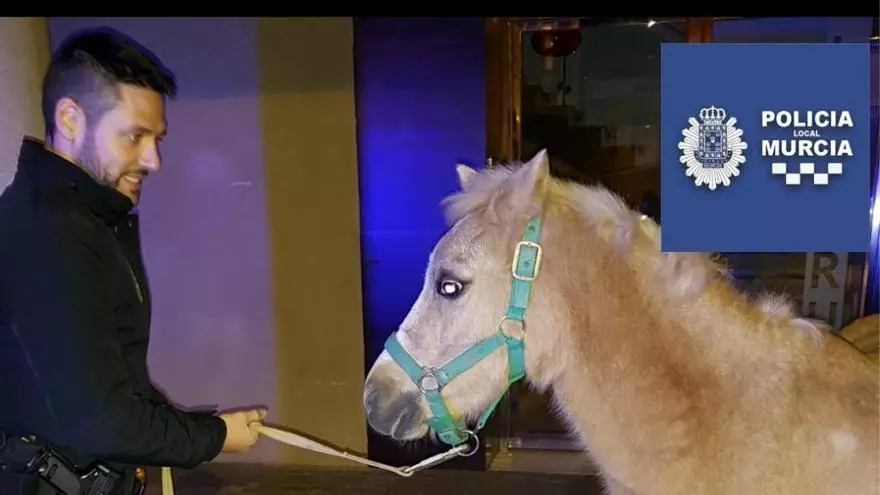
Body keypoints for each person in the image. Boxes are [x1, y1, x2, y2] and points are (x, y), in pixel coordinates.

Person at [0, 28, 266, 494]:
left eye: (156, 139)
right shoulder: (50, 232)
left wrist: (196, 429)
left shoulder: (86, 220)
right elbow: (100, 421)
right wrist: (214, 436)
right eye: (134, 136)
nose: (153, 160)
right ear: (70, 120)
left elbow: (113, 377)